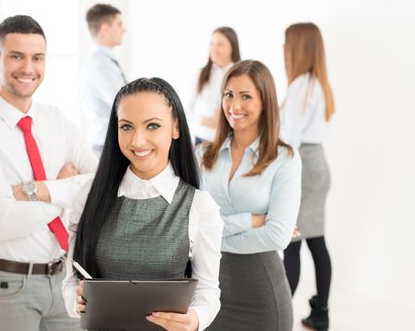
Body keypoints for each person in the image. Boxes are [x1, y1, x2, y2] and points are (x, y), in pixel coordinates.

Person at [0, 15, 98, 331]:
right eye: (16, 56)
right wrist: (64, 190)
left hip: (65, 279)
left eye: (37, 57)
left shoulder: (57, 120)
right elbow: (1, 221)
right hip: (9, 286)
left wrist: (34, 190)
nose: (28, 68)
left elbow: (99, 184)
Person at [61, 78, 223, 331]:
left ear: (176, 128)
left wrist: (196, 319)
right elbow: (72, 281)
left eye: (153, 126)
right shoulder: (89, 197)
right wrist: (76, 300)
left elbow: (208, 289)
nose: (137, 141)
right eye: (126, 127)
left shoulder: (199, 206)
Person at [198, 60, 302, 331]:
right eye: (228, 94)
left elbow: (278, 235)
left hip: (261, 296)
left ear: (265, 101)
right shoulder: (202, 156)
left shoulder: (285, 159)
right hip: (209, 294)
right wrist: (251, 221)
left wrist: (211, 238)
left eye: (246, 96)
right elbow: (189, 227)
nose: (234, 106)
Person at [281, 22, 335, 331]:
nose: (283, 49)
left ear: (298, 47)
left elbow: (292, 137)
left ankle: (281, 310)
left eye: (286, 43)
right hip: (318, 163)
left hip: (304, 166)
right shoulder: (319, 83)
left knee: (294, 240)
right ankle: (320, 312)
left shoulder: (301, 84)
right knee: (314, 241)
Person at [83, 3, 127, 156]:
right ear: (105, 29)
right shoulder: (100, 65)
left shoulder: (105, 61)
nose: (124, 29)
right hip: (107, 145)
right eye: (119, 24)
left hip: (108, 143)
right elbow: (123, 103)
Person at [188, 26, 240, 145]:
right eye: (212, 44)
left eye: (220, 44)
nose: (214, 48)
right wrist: (203, 121)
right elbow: (187, 109)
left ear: (232, 47)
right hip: (201, 138)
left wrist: (223, 119)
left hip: (229, 140)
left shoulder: (240, 75)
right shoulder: (200, 74)